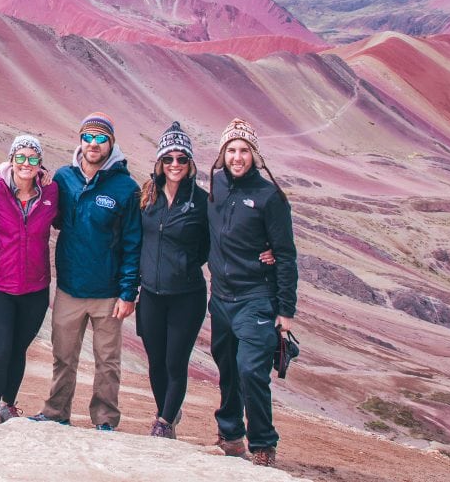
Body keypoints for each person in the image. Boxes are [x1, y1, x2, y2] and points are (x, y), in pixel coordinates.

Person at [33, 112, 141, 431]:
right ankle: (56, 412)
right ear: (80, 141)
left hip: (108, 294)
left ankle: (105, 420)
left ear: (111, 143)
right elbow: (45, 210)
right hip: (69, 287)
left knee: (107, 363)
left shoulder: (125, 187)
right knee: (63, 356)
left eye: (100, 139)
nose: (93, 144)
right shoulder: (64, 178)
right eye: (88, 138)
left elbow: (133, 243)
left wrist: (127, 292)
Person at [207, 118, 298, 467]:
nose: (237, 157)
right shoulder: (215, 187)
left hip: (256, 299)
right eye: (231, 150)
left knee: (250, 370)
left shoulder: (270, 197)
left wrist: (286, 311)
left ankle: (262, 443)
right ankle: (230, 435)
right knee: (227, 368)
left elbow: (286, 255)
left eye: (244, 150)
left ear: (255, 155)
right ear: (222, 155)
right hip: (221, 299)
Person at [0, 135, 58, 426]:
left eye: (32, 158)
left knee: (18, 349)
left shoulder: (51, 193)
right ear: (11, 160)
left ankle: (8, 404)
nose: (26, 163)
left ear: (40, 164)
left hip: (35, 288)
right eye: (20, 157)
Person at [136, 122, 209, 439]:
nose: (175, 165)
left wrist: (267, 253)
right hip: (150, 294)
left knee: (175, 361)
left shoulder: (203, 201)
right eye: (169, 159)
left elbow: (212, 245)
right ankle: (167, 409)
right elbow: (133, 239)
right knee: (155, 361)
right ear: (159, 162)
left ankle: (164, 423)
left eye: (181, 158)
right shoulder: (146, 197)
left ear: (190, 162)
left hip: (187, 296)